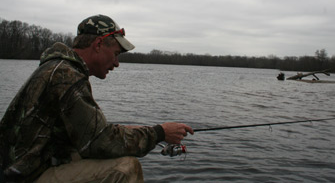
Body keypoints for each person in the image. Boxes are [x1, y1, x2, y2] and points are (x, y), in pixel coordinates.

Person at [0, 15, 194, 182]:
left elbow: (88, 133)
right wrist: (159, 133)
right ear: (99, 44)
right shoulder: (66, 76)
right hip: (25, 178)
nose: (117, 63)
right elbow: (99, 141)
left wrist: (133, 131)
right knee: (126, 169)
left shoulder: (59, 68)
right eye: (116, 54)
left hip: (27, 170)